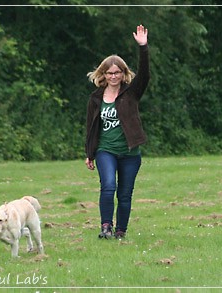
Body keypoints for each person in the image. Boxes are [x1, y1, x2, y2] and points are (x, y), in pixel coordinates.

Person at [85, 25, 150, 239]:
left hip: (130, 153)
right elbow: (91, 127)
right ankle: (105, 227)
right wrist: (89, 153)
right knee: (108, 186)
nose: (113, 76)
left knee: (124, 194)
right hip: (106, 150)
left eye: (117, 72)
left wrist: (143, 47)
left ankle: (121, 231)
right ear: (103, 74)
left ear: (123, 74)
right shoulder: (96, 98)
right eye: (109, 73)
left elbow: (145, 75)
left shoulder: (131, 94)